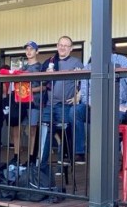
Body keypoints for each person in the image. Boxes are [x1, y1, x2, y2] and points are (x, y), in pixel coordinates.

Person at [36, 36, 88, 165]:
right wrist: (46, 75)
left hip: (65, 105)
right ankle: (40, 166)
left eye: (66, 45)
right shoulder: (50, 61)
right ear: (57, 46)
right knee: (45, 134)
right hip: (48, 105)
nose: (62, 47)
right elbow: (42, 82)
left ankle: (64, 164)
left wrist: (78, 95)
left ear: (71, 48)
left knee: (64, 134)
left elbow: (85, 82)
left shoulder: (76, 62)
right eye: (60, 45)